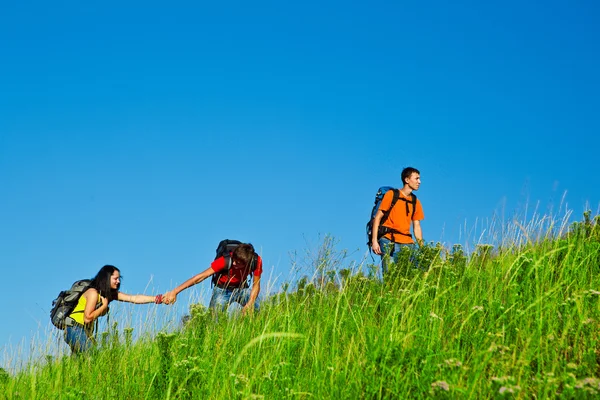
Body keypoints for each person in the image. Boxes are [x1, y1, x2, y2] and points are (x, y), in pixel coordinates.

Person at [64, 264, 163, 354]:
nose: (118, 281)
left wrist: (156, 299)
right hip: (74, 328)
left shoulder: (108, 295)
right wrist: (104, 306)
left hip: (83, 331)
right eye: (115, 278)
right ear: (106, 278)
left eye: (119, 278)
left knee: (80, 366)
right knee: (93, 357)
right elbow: (87, 318)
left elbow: (133, 298)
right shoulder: (93, 293)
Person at [163, 243, 262, 316]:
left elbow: (256, 284)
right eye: (234, 260)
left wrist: (250, 303)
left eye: (238, 262)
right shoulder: (225, 261)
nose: (234, 263)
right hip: (223, 290)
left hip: (242, 289)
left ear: (247, 262)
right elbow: (200, 277)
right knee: (214, 319)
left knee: (259, 308)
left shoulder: (256, 261)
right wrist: (175, 291)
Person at [371, 167, 425, 275]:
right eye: (416, 178)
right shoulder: (391, 195)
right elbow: (377, 218)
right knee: (389, 275)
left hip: (408, 243)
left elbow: (417, 226)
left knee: (414, 273)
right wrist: (374, 241)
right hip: (388, 240)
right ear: (407, 180)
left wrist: (422, 248)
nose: (419, 182)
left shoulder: (416, 202)